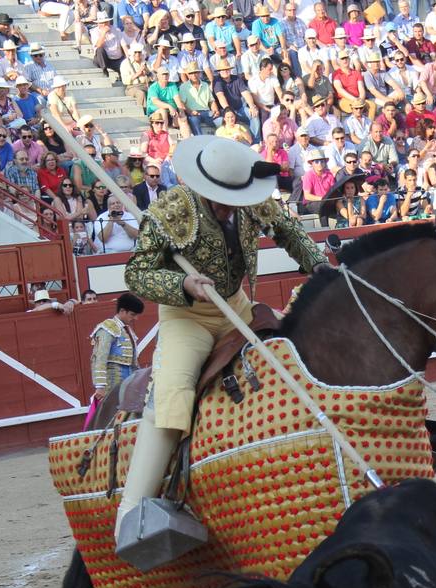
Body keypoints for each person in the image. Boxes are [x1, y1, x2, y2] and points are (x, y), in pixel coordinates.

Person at [119, 137, 327, 560]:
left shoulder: (251, 199)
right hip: (189, 317)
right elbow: (137, 275)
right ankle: (132, 514)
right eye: (221, 202)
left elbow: (288, 230)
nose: (230, 209)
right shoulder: (171, 211)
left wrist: (318, 265)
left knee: (286, 363)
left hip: (236, 306)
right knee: (172, 395)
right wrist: (182, 284)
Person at [89, 292, 144, 412]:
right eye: (132, 314)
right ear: (122, 311)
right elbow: (99, 358)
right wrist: (100, 386)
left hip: (129, 383)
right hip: (112, 384)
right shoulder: (108, 328)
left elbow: (133, 362)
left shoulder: (126, 329)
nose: (135, 318)